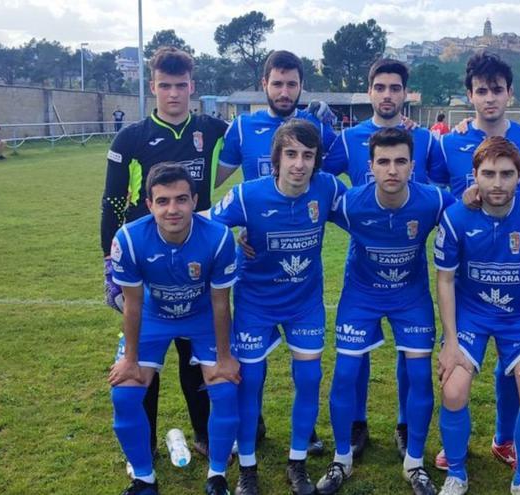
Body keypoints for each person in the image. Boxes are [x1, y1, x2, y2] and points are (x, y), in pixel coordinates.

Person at [100, 46, 229, 463]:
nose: (173, 94)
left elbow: (266, 141)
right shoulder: (132, 137)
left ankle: (206, 436)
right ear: (153, 87)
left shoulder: (213, 130)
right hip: (144, 263)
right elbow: (113, 202)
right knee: (143, 356)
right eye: (165, 86)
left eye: (181, 86)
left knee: (194, 358)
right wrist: (109, 258)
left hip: (196, 261)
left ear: (192, 87)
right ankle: (147, 443)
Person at [209, 120, 346, 495]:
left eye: (307, 155)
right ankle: (248, 470)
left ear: (316, 160)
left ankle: (297, 463)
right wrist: (235, 239)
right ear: (276, 159)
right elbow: (206, 227)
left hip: (304, 305)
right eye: (291, 154)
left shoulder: (328, 188)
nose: (299, 164)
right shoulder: (246, 196)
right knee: (249, 383)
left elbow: (366, 212)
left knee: (310, 379)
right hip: (256, 304)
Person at [316, 127, 454, 495]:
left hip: (411, 299)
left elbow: (470, 217)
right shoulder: (351, 202)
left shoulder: (433, 201)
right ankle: (341, 459)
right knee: (345, 374)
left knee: (420, 377)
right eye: (383, 162)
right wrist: (250, 234)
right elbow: (301, 215)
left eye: (400, 162)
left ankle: (415, 464)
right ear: (370, 166)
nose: (392, 169)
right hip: (361, 296)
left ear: (412, 165)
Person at [323, 57, 446, 459]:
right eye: (381, 88)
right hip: (363, 263)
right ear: (370, 90)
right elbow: (319, 185)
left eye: (396, 88)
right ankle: (356, 424)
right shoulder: (348, 139)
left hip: (409, 260)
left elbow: (448, 187)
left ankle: (406, 426)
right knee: (354, 358)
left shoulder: (425, 139)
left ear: (405, 94)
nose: (388, 95)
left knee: (410, 354)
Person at [432, 50, 520, 472]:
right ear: (470, 95)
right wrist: (455, 200)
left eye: (497, 90)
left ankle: (504, 438)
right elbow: (435, 199)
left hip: (517, 270)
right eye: (481, 91)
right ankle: (456, 445)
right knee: (461, 367)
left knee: (512, 364)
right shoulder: (450, 142)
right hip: (468, 277)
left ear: (509, 92)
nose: (490, 99)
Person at [434, 136, 520, 495]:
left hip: (518, 319)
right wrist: (451, 341)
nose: (497, 183)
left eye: (506, 174)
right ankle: (456, 473)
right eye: (488, 174)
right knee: (454, 389)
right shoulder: (456, 216)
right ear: (474, 175)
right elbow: (444, 280)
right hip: (471, 316)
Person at [108, 162, 240, 495]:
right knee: (124, 392)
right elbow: (133, 303)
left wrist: (224, 357)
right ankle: (144, 479)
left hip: (202, 317)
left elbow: (221, 303)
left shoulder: (219, 237)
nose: (173, 209)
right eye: (163, 201)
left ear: (194, 201)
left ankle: (217, 476)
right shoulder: (130, 238)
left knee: (225, 389)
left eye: (181, 199)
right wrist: (131, 360)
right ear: (149, 204)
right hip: (154, 316)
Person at [215, 50, 337, 185]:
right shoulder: (242, 127)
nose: (284, 93)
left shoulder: (317, 123)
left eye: (291, 84)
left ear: (301, 86)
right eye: (277, 84)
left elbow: (356, 159)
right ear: (265, 84)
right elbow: (211, 182)